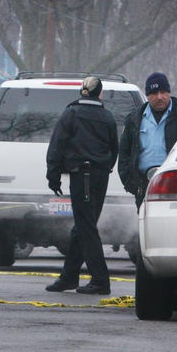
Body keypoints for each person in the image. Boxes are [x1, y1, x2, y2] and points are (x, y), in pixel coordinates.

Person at [44, 76, 119, 295]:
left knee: (86, 227)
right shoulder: (107, 116)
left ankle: (100, 280)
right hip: (100, 176)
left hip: (81, 176)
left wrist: (54, 175)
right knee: (83, 225)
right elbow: (114, 148)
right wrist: (104, 167)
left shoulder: (72, 114)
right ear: (100, 93)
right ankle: (69, 277)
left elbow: (57, 144)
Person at [118, 72, 177, 209]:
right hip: (144, 186)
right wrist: (132, 184)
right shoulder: (134, 119)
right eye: (154, 93)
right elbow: (125, 153)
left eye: (163, 92)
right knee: (147, 227)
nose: (159, 97)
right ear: (147, 95)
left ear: (169, 92)